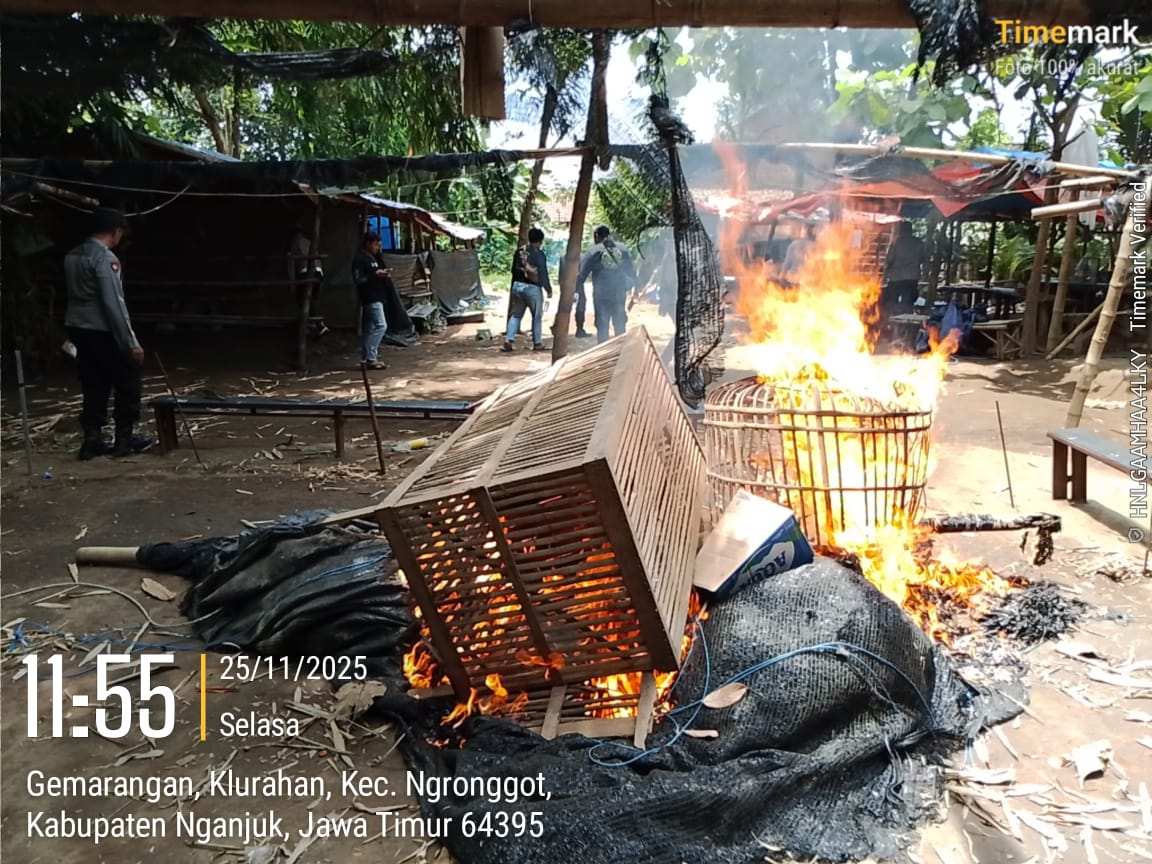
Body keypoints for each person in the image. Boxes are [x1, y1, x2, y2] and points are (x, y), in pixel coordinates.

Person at [64, 207, 153, 459]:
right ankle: (124, 439)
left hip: (78, 328)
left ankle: (91, 438)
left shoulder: (72, 255)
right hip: (104, 330)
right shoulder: (105, 259)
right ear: (115, 232)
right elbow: (114, 303)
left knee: (93, 383)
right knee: (127, 381)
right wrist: (130, 342)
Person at [576, 225, 637, 344]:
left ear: (597, 236)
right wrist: (634, 287)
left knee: (602, 326)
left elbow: (582, 274)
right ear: (609, 235)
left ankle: (604, 354)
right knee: (619, 324)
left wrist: (576, 289)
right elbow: (631, 271)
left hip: (601, 295)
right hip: (619, 294)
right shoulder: (623, 249)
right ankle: (620, 353)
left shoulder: (594, 251)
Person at [503, 227, 552, 352]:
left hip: (517, 286)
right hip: (533, 288)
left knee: (516, 315)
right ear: (540, 240)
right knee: (536, 316)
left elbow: (512, 270)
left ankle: (509, 339)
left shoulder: (519, 251)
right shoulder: (539, 254)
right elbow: (543, 273)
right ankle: (537, 343)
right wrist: (548, 289)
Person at [352, 232, 392, 369]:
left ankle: (366, 358)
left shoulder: (373, 258)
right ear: (368, 243)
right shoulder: (360, 259)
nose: (377, 247)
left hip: (377, 296)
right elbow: (359, 280)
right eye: (375, 244)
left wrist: (382, 274)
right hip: (370, 297)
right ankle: (371, 358)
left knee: (369, 329)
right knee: (381, 326)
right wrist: (374, 275)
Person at [883, 221, 926, 310]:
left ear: (901, 230)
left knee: (893, 301)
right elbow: (923, 259)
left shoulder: (896, 243)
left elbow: (889, 259)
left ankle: (893, 319)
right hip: (912, 276)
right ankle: (906, 320)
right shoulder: (918, 242)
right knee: (908, 302)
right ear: (911, 230)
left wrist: (886, 273)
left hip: (896, 277)